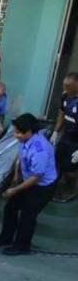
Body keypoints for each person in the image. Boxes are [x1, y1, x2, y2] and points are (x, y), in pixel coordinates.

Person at [0, 113, 59, 255]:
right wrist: (16, 176)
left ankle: (22, 246)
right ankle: (5, 238)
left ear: (30, 132)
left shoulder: (40, 149)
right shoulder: (24, 140)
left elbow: (37, 177)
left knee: (28, 214)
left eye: (19, 133)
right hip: (27, 180)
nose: (16, 135)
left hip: (42, 186)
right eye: (15, 131)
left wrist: (14, 190)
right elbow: (20, 157)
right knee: (10, 208)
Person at [51, 72, 78, 202]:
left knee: (71, 169)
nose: (66, 89)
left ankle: (72, 190)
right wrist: (56, 132)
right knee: (58, 161)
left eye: (69, 86)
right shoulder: (65, 96)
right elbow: (61, 114)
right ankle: (57, 188)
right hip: (66, 135)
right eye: (65, 86)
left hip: (76, 142)